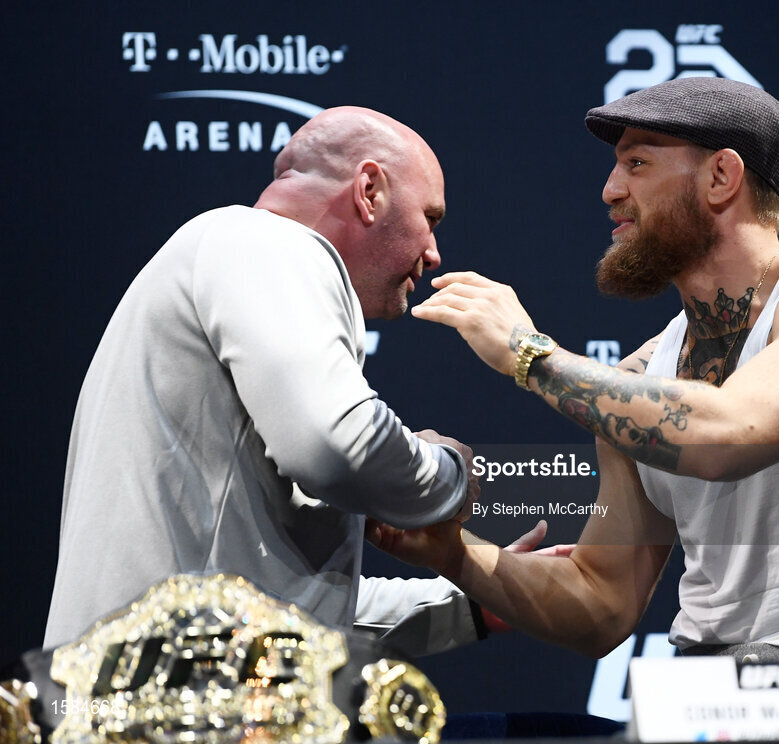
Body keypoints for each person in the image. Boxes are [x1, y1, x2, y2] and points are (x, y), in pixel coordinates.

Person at [373, 77, 779, 683]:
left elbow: (730, 434)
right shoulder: (638, 379)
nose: (610, 190)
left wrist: (530, 356)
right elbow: (601, 605)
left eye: (637, 162)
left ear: (721, 177)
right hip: (706, 694)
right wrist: (455, 552)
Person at [44, 106, 489, 652]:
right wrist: (450, 476)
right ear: (369, 190)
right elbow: (339, 448)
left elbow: (286, 605)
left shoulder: (241, 260)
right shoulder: (266, 244)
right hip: (172, 713)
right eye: (431, 217)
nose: (433, 253)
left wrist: (474, 607)